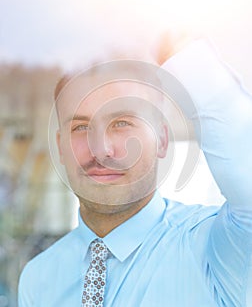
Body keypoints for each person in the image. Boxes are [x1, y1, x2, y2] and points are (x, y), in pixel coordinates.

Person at [18, 35, 252, 307]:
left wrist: (178, 42)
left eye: (121, 123)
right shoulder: (37, 279)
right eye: (80, 127)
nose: (101, 149)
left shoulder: (216, 252)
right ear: (60, 146)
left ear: (162, 139)